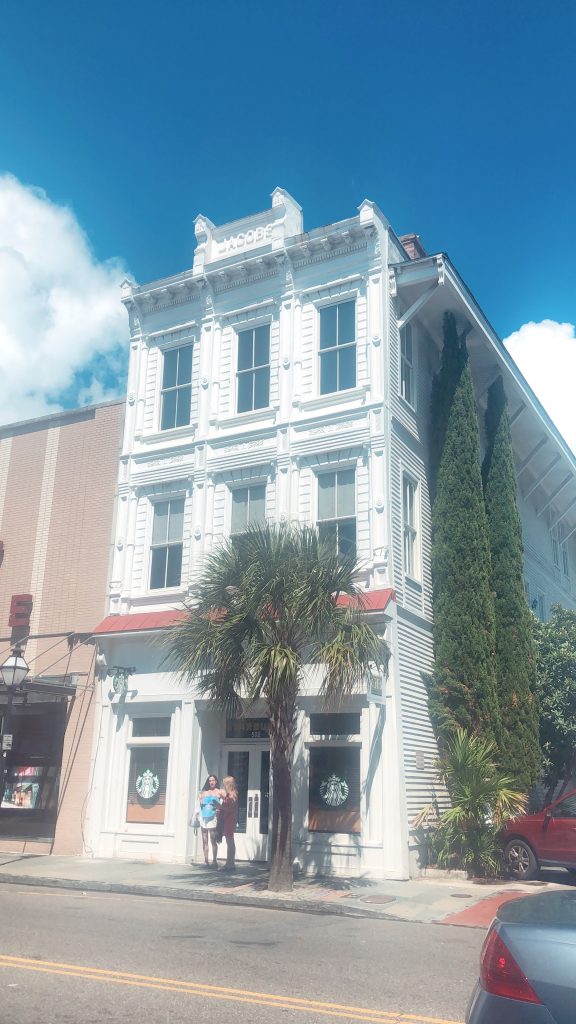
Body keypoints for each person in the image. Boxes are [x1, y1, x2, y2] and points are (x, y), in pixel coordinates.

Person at [198, 774, 222, 867]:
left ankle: (214, 861)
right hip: (204, 817)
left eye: (213, 780)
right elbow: (199, 805)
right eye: (209, 780)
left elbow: (222, 803)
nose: (211, 782)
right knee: (204, 839)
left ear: (216, 781)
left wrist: (219, 809)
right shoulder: (204, 793)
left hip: (213, 817)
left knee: (213, 839)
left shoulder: (219, 792)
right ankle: (206, 860)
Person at [220, 775, 238, 873]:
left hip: (230, 819)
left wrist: (220, 806)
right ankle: (229, 863)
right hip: (227, 819)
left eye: (225, 784)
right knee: (229, 841)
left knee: (230, 841)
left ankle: (231, 864)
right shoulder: (229, 794)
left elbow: (231, 809)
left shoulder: (232, 795)